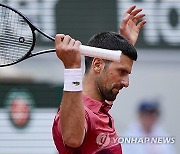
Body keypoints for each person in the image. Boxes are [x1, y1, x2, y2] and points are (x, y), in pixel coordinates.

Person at [52, 5, 146, 154]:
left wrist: (125, 45)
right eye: (121, 71)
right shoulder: (80, 114)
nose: (126, 83)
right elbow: (73, 139)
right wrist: (72, 69)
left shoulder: (101, 109)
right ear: (97, 65)